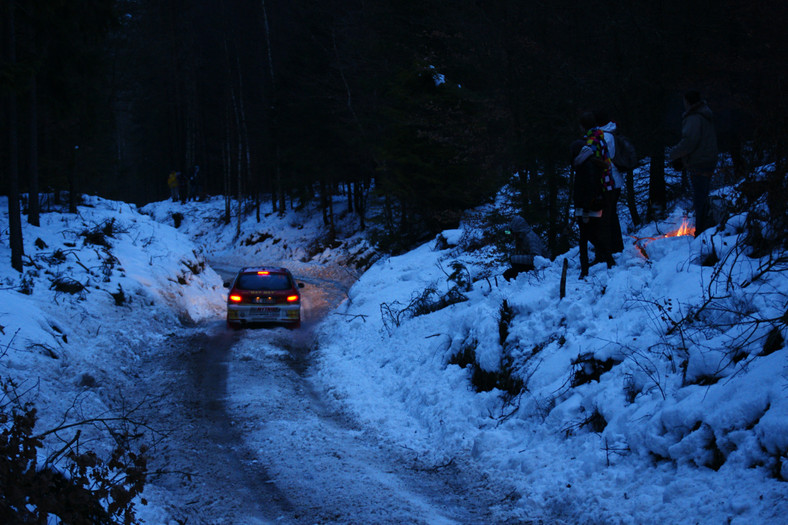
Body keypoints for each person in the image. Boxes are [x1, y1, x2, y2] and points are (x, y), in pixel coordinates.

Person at [668, 90, 718, 236]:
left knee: (700, 197)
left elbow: (689, 141)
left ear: (688, 102)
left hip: (700, 162)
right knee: (703, 194)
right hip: (708, 159)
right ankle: (706, 227)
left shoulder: (694, 118)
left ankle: (702, 230)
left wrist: (674, 154)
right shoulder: (705, 115)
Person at [572, 112, 615, 278]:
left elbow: (589, 181)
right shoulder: (600, 137)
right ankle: (607, 258)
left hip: (592, 197)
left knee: (587, 233)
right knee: (591, 232)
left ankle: (588, 267)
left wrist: (586, 202)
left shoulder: (589, 149)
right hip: (600, 191)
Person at [595, 110, 625, 254]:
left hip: (610, 180)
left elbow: (606, 157)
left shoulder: (605, 137)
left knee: (606, 215)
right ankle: (616, 246)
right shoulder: (610, 133)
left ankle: (610, 248)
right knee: (611, 214)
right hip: (615, 180)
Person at [503, 216, 546, 281]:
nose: (514, 235)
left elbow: (536, 258)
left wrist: (516, 258)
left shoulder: (530, 238)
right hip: (529, 266)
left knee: (509, 272)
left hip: (539, 268)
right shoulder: (522, 236)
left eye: (515, 233)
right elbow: (507, 232)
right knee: (508, 273)